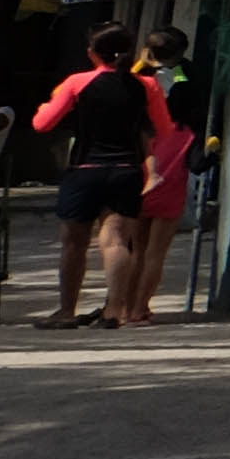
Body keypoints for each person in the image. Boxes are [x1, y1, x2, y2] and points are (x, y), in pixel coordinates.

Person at [28, 26, 153, 329]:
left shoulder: (78, 82)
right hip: (126, 170)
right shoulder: (145, 85)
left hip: (85, 170)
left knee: (74, 243)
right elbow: (160, 126)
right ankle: (113, 311)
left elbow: (43, 124)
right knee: (116, 240)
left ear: (92, 53)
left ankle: (67, 311)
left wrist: (46, 106)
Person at [115, 26, 204, 326]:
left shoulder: (137, 80)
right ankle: (140, 308)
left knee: (136, 248)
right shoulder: (182, 79)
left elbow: (129, 86)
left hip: (140, 166)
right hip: (171, 167)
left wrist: (144, 62)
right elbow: (184, 86)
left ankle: (125, 307)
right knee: (156, 252)